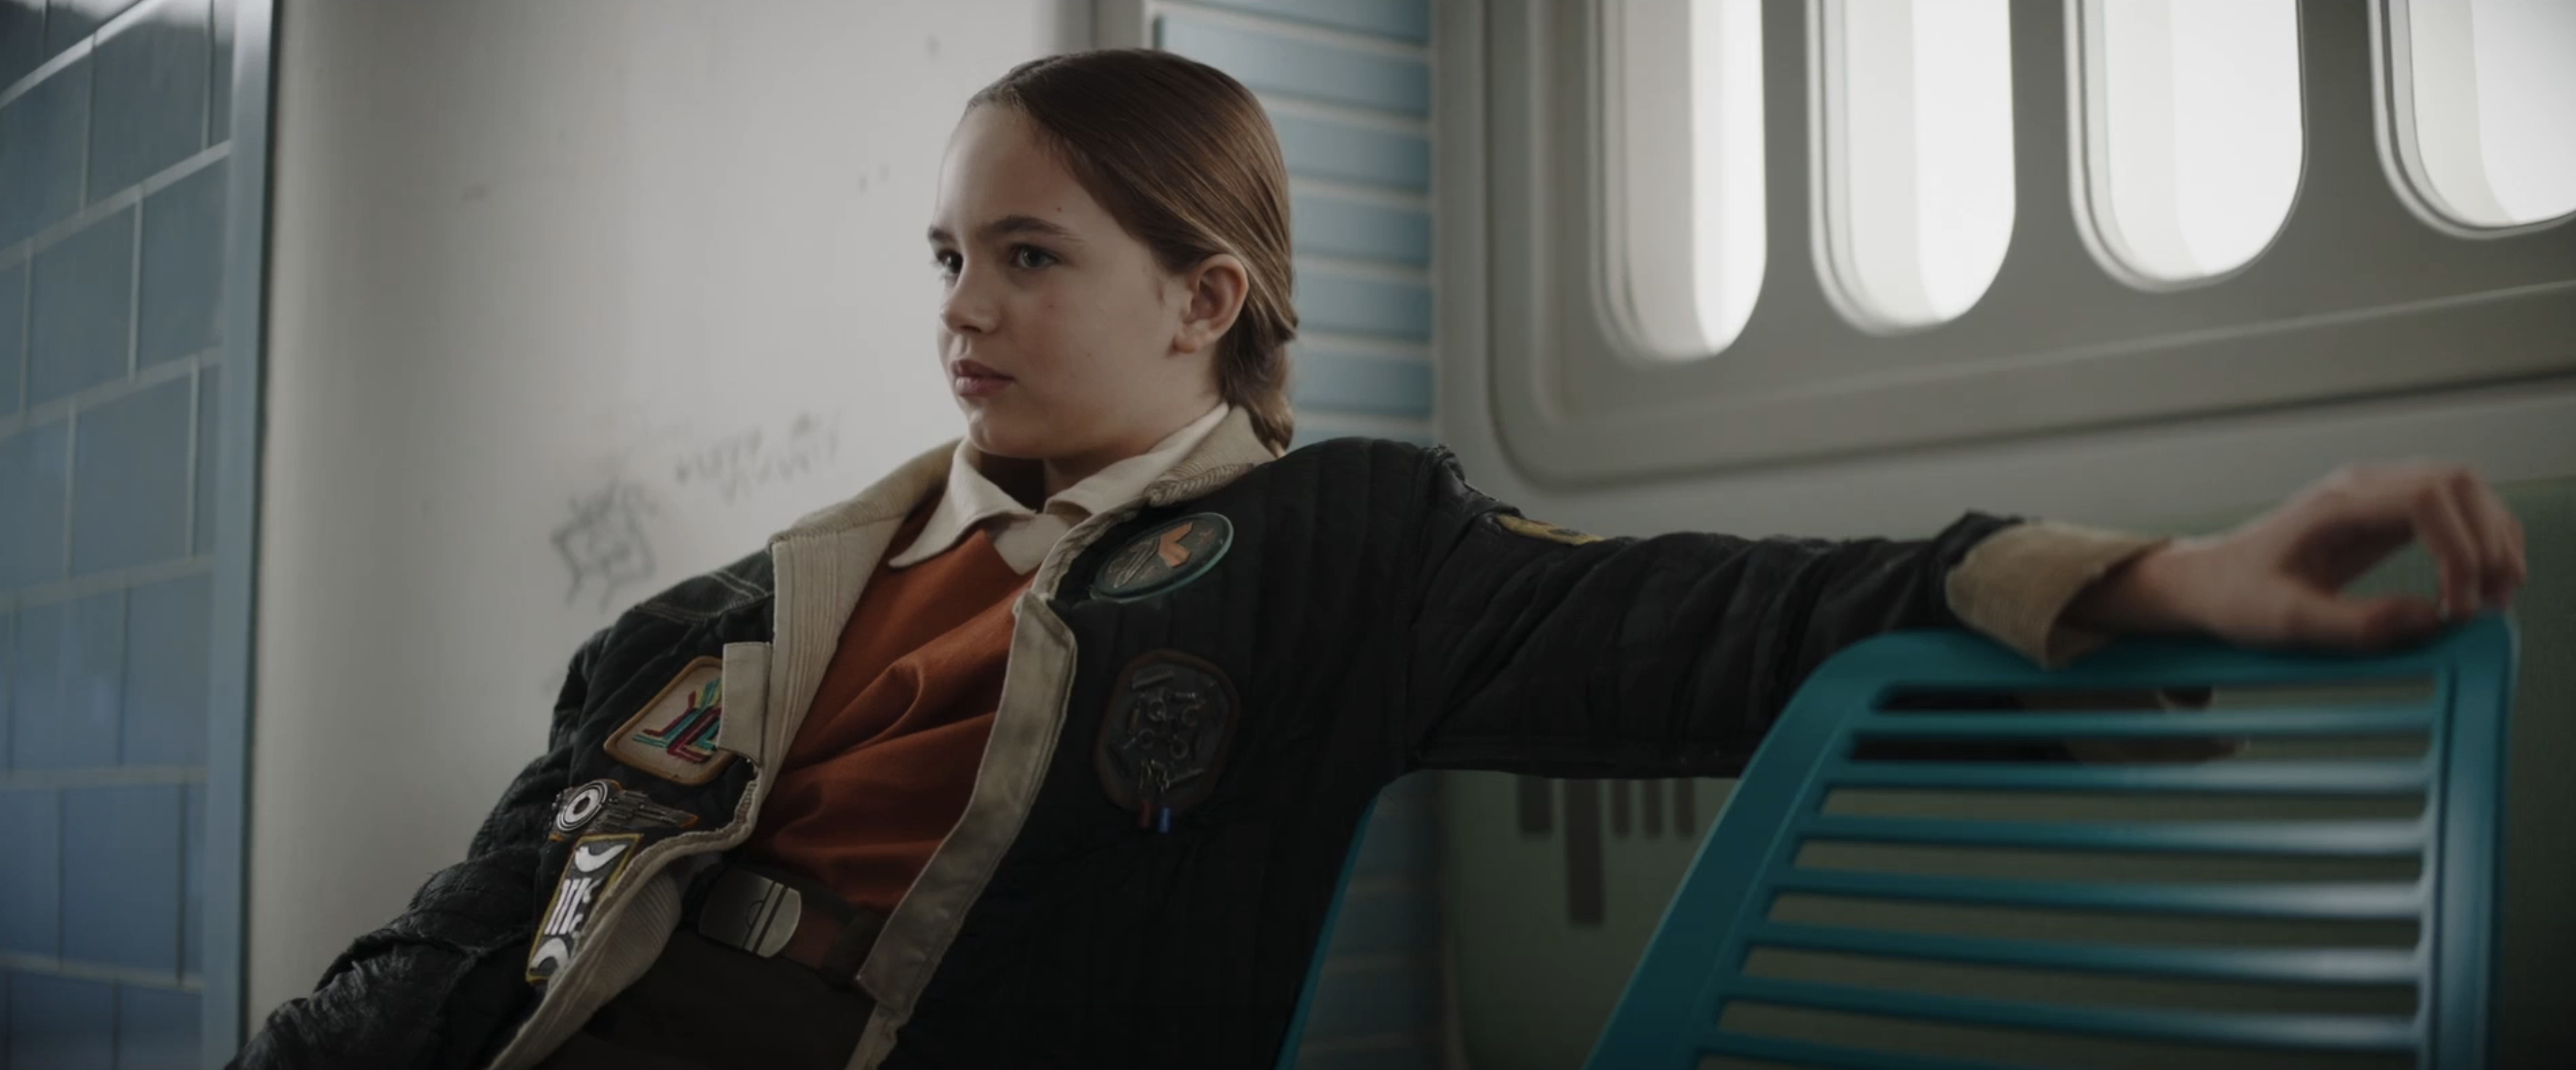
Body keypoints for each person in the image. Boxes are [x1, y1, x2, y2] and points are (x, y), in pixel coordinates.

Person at [233, 49, 2530, 1070]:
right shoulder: (707, 621)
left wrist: (2162, 572)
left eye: (1025, 255)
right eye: (945, 251)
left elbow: (1709, 613)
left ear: (1199, 299)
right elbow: (461, 937)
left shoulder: (1328, 554)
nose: (954, 307)